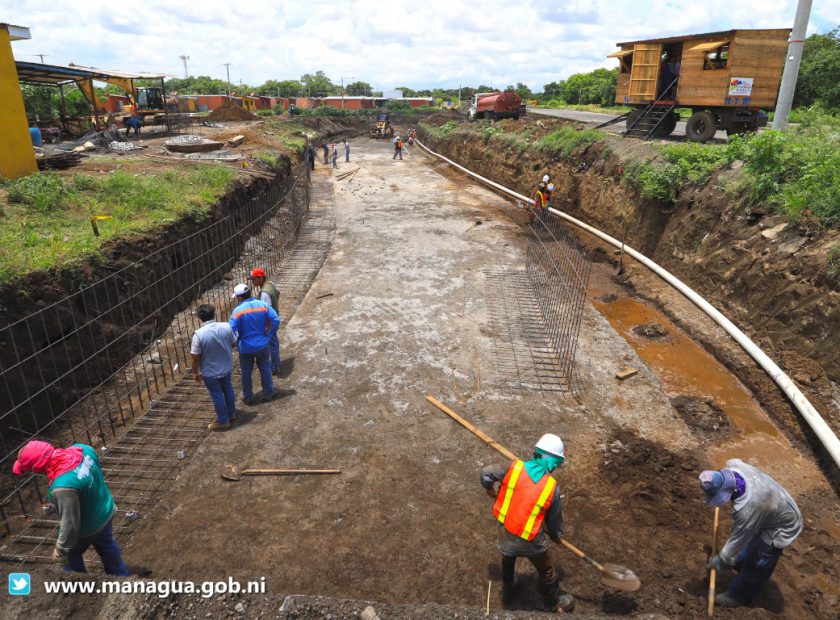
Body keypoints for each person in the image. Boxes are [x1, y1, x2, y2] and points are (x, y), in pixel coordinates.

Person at [480, 434, 575, 613]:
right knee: (547, 570)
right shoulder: (551, 487)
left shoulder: (513, 468)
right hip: (532, 542)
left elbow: (486, 473)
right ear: (551, 460)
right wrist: (556, 536)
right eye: (556, 463)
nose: (555, 467)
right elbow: (554, 521)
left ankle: (507, 591)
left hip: (506, 536)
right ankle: (551, 603)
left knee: (508, 562)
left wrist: (489, 490)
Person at [13, 440, 130, 576]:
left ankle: (81, 586)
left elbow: (70, 525)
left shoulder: (62, 487)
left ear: (37, 467)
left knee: (69, 558)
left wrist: (61, 550)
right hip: (105, 510)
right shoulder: (82, 449)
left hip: (89, 527)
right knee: (107, 545)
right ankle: (121, 576)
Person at [700, 460, 803, 608]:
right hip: (774, 505)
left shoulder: (748, 511)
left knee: (759, 560)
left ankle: (740, 595)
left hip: (782, 527)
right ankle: (741, 561)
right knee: (753, 543)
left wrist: (722, 559)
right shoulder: (733, 465)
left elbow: (738, 540)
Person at [229, 283, 280, 405]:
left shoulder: (237, 312)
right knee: (265, 368)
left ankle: (248, 396)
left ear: (240, 298)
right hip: (262, 345)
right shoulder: (263, 305)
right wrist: (270, 334)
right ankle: (268, 392)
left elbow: (231, 330)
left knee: (246, 372)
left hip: (245, 348)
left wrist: (235, 342)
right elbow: (276, 319)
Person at [191, 303, 237, 431]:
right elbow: (234, 344)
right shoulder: (226, 326)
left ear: (200, 318)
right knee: (228, 389)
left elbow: (195, 357)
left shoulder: (198, 335)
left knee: (217, 394)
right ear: (213, 314)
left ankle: (223, 420)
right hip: (227, 367)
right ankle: (231, 414)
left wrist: (195, 372)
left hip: (211, 372)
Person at [248, 267, 282, 376]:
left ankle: (274, 367)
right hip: (274, 318)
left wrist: (267, 326)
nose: (252, 282)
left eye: (254, 279)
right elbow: (278, 293)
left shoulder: (264, 294)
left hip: (270, 322)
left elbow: (266, 311)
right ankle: (275, 364)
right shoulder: (270, 284)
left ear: (261, 278)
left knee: (271, 344)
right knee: (274, 342)